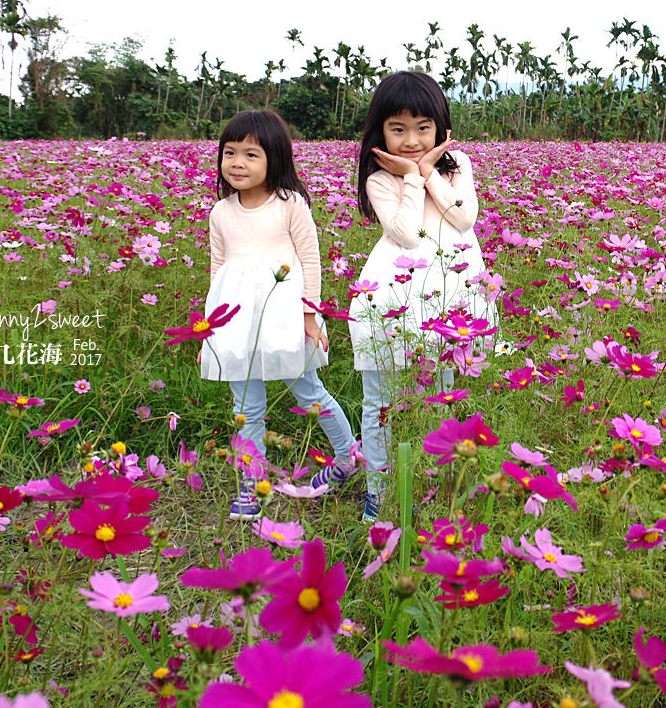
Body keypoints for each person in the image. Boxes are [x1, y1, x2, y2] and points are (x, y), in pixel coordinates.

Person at [349, 72, 497, 521]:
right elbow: (408, 235)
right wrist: (411, 179)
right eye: (398, 129)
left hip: (451, 293)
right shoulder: (380, 179)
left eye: (422, 127)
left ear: (440, 128)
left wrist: (428, 171)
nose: (411, 139)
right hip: (395, 294)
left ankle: (431, 486)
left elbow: (464, 218)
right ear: (380, 132)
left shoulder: (459, 165)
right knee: (380, 400)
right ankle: (379, 489)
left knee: (441, 395)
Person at [201, 109, 356, 519]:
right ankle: (250, 487)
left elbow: (310, 259)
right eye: (229, 153)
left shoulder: (290, 205)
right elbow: (219, 269)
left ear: (275, 158)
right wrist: (208, 332)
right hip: (234, 318)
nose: (237, 163)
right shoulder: (220, 212)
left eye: (251, 154)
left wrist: (310, 316)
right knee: (246, 407)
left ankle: (346, 457)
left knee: (309, 392)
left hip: (285, 314)